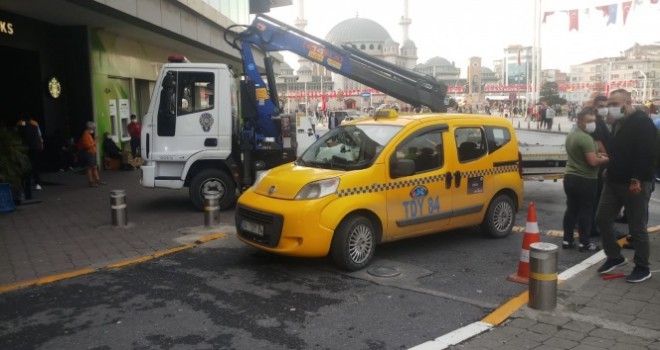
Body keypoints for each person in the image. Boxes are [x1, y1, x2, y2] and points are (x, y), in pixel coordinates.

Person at [595, 89, 655, 283]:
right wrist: (609, 167)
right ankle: (615, 256)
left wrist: (636, 179)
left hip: (634, 183)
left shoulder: (642, 122)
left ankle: (642, 267)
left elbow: (645, 154)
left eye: (614, 103)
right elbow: (616, 150)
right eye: (609, 103)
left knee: (636, 227)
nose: (610, 107)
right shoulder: (618, 123)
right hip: (613, 180)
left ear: (627, 103)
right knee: (602, 219)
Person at [562, 107, 608, 252]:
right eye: (589, 121)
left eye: (594, 121)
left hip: (570, 177)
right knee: (586, 211)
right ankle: (585, 243)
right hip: (585, 179)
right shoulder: (586, 138)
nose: (592, 124)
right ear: (580, 121)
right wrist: (605, 159)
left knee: (571, 209)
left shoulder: (571, 135)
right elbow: (593, 162)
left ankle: (567, 240)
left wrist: (596, 157)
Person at [16, 114, 43, 192]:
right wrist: (41, 145)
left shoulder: (21, 123)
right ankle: (37, 183)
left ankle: (24, 184)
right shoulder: (35, 124)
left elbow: (18, 129)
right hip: (36, 147)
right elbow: (40, 135)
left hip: (27, 147)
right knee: (35, 165)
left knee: (26, 166)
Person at [79, 121, 106, 187]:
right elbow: (88, 145)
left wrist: (94, 141)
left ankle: (97, 180)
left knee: (94, 167)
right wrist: (95, 141)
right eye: (93, 128)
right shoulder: (85, 136)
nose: (94, 130)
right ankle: (91, 182)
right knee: (90, 168)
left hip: (92, 153)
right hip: (89, 153)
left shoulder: (88, 135)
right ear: (90, 128)